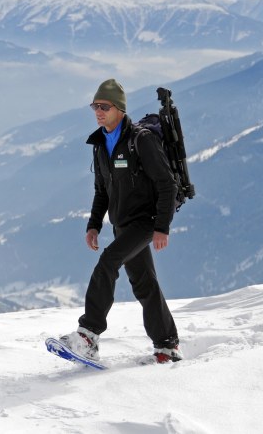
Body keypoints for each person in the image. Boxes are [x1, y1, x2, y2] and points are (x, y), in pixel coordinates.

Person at [61, 78, 183, 363]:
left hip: (145, 221)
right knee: (144, 283)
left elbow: (167, 185)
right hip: (121, 224)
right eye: (95, 106)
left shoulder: (141, 140)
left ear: (120, 109)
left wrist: (161, 227)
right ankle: (167, 345)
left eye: (104, 106)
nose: (98, 111)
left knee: (108, 262)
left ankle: (88, 335)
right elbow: (102, 190)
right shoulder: (101, 144)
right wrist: (93, 225)